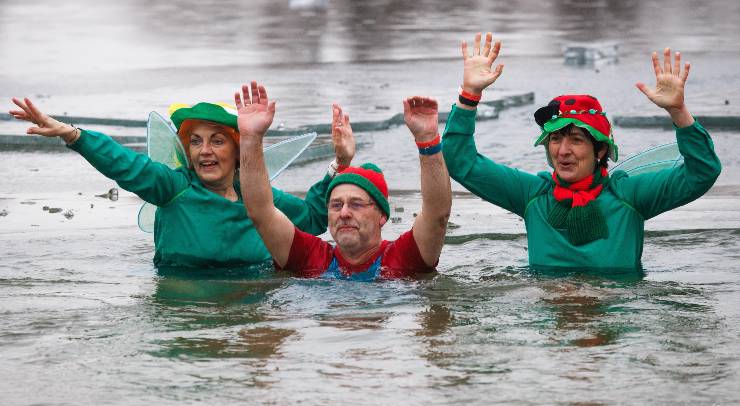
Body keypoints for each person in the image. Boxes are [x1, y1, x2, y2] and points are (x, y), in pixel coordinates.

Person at [442, 33, 721, 271]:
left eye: (575, 140)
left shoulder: (630, 197)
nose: (563, 151)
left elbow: (702, 172)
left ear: (600, 149)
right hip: (552, 318)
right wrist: (469, 95)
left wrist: (678, 112)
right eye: (555, 139)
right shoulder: (532, 195)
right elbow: (460, 162)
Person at [9, 96, 355, 268]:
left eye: (217, 140)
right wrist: (73, 135)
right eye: (195, 141)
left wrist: (339, 163)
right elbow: (126, 164)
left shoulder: (263, 202)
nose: (205, 151)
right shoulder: (173, 187)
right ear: (186, 151)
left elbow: (312, 218)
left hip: (248, 307)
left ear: (238, 151)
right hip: (178, 306)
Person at [236, 81, 451, 280]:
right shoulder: (310, 257)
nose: (344, 213)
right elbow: (260, 212)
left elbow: (437, 216)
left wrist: (427, 140)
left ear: (382, 216)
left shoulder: (403, 257)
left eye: (356, 204)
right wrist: (251, 139)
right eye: (336, 205)